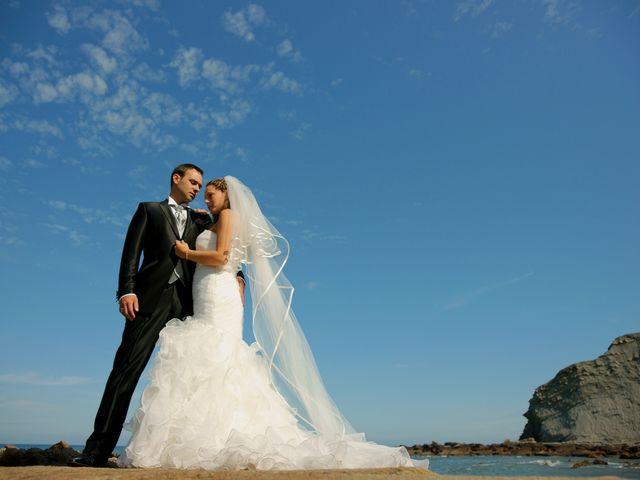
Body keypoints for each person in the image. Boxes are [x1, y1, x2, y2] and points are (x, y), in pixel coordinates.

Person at [118, 176, 428, 470]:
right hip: (206, 289)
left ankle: (215, 434)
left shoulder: (228, 218)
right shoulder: (216, 219)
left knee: (217, 351)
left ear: (226, 195)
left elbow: (222, 257)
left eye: (211, 195)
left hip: (217, 288)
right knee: (209, 353)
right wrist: (204, 220)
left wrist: (186, 253)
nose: (206, 199)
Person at [71, 165, 245, 468]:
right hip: (149, 301)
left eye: (201, 185)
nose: (196, 190)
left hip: (189, 304)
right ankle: (96, 451)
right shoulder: (148, 210)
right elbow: (131, 253)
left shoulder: (201, 219)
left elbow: (225, 247)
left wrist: (239, 275)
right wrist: (126, 291)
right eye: (192, 183)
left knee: (187, 377)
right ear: (175, 179)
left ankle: (186, 449)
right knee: (126, 370)